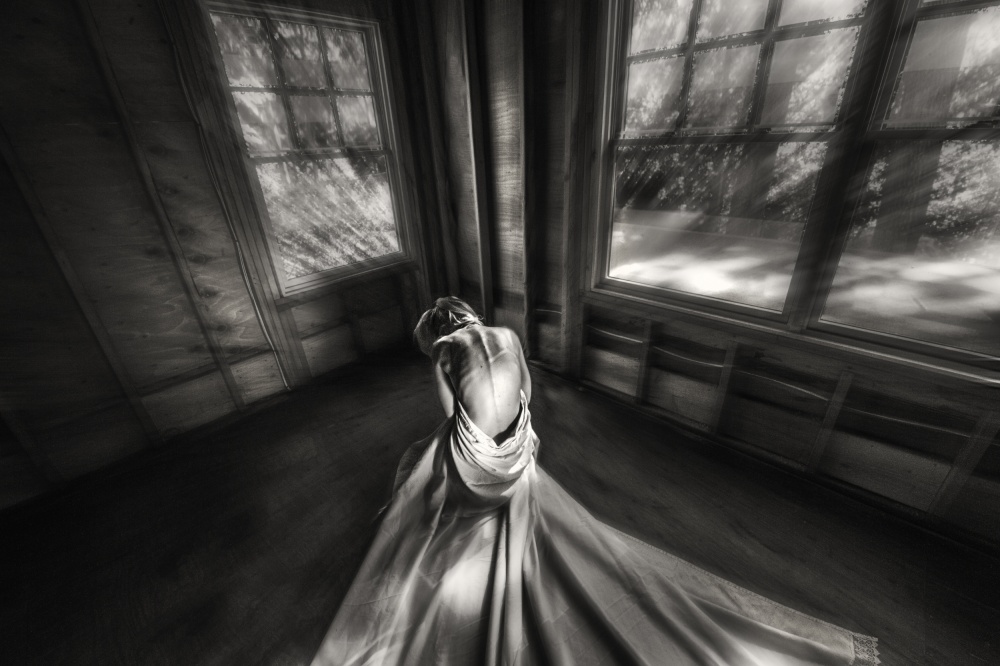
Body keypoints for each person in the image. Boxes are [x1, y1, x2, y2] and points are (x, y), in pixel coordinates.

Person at [311, 297, 879, 666]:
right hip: (520, 446)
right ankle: (495, 507)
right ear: (469, 316)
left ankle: (428, 533)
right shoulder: (505, 333)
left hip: (479, 458)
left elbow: (453, 417)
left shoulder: (442, 352)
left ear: (436, 333)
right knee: (472, 464)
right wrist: (513, 439)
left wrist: (467, 453)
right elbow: (526, 394)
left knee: (418, 462)